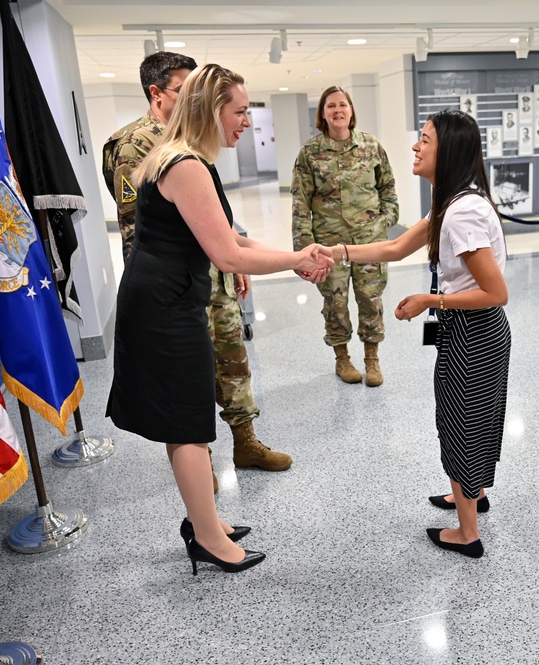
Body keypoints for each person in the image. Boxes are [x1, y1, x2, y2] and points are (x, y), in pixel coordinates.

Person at [107, 64, 332, 575]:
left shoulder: (182, 157)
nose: (246, 123)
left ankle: (204, 520)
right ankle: (208, 539)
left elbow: (232, 239)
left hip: (168, 298)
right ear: (212, 110)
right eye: (239, 111)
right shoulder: (185, 165)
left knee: (180, 418)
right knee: (187, 422)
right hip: (164, 307)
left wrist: (296, 253)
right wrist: (298, 261)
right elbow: (228, 255)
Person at [321, 109, 510, 558]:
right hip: (473, 331)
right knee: (468, 418)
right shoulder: (454, 201)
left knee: (461, 425)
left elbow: (495, 292)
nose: (415, 146)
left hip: (474, 332)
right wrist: (337, 251)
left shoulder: (460, 214)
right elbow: (395, 246)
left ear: (449, 152)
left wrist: (430, 301)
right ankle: (473, 493)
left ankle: (467, 533)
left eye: (425, 140)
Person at [103, 52, 293, 476]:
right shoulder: (143, 145)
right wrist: (231, 253)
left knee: (230, 359)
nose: (190, 96)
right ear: (159, 93)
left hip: (207, 272)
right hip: (172, 284)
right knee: (186, 394)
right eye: (183, 89)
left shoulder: (194, 145)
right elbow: (142, 228)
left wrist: (234, 256)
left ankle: (244, 441)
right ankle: (200, 467)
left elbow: (216, 224)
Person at [291, 86, 399, 386]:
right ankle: (342, 358)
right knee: (335, 304)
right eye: (331, 106)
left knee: (371, 299)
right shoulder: (310, 153)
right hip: (328, 246)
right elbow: (300, 204)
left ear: (351, 110)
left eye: (343, 105)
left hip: (369, 244)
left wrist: (386, 220)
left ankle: (372, 358)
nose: (338, 110)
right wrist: (303, 252)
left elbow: (388, 187)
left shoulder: (371, 145)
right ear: (322, 114)